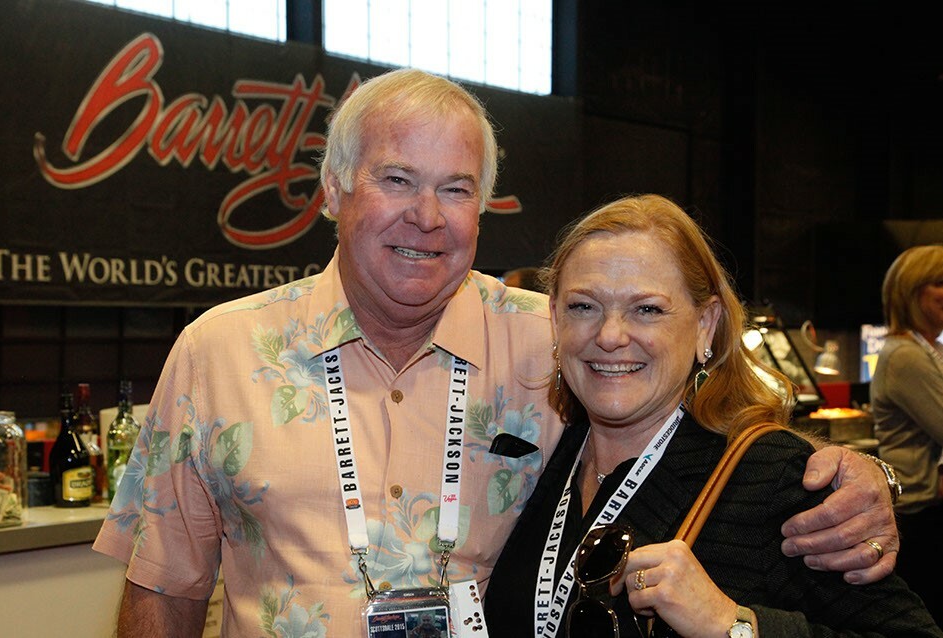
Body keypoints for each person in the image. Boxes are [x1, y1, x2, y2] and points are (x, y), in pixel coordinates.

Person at [92, 69, 897, 637]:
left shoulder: (556, 338)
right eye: (397, 179)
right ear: (334, 190)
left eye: (455, 188)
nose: (427, 216)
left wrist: (857, 474)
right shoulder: (218, 352)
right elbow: (165, 587)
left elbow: (699, 415)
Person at [484, 194, 939, 637]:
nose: (610, 335)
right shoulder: (546, 449)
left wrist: (733, 625)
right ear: (554, 318)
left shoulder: (772, 478)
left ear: (706, 324)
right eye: (583, 307)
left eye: (647, 309)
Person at [871, 244, 943, 623]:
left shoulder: (927, 349)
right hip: (920, 513)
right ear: (913, 293)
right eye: (940, 283)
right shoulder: (906, 355)